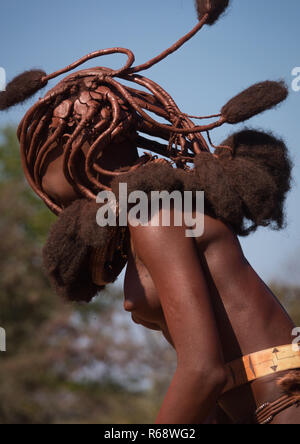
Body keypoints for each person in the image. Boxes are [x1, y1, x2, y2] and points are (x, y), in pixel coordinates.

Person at [1, 0, 299, 424]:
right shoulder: (149, 218)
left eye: (48, 142)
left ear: (83, 148)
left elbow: (203, 373)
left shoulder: (157, 215)